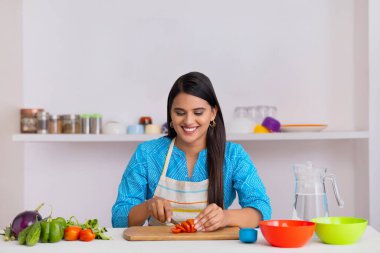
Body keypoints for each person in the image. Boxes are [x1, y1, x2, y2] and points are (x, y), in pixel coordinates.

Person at [112, 72, 271, 231]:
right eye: (180, 113)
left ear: (213, 113)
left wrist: (225, 217)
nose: (188, 121)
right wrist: (148, 206)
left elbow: (261, 209)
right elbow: (119, 218)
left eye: (198, 112)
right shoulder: (147, 154)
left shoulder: (233, 155)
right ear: (171, 115)